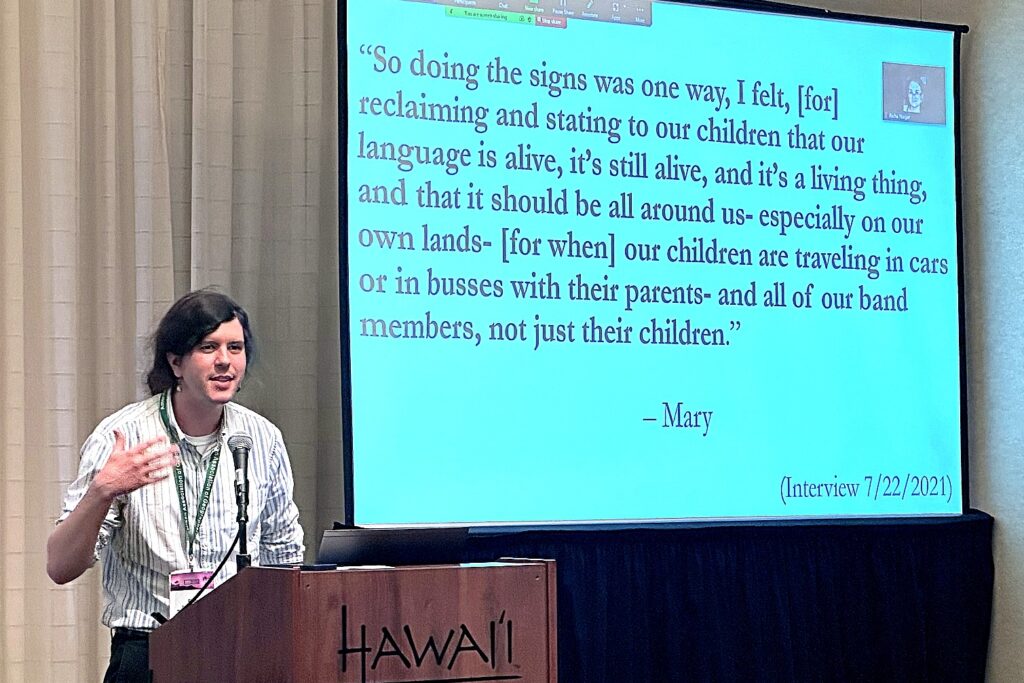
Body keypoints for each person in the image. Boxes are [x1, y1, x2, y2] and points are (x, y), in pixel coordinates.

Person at [47, 289, 304, 682]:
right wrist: (102, 491)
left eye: (235, 347)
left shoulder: (262, 438)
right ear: (176, 362)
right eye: (208, 347)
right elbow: (60, 567)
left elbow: (283, 556)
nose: (224, 360)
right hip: (147, 651)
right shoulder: (124, 438)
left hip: (239, 651)